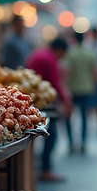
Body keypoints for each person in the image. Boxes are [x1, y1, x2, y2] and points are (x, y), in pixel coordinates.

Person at [27, 37, 72, 182]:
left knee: (48, 133)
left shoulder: (41, 54)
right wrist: (66, 102)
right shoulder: (49, 58)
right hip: (39, 102)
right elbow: (55, 83)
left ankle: (42, 165)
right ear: (60, 50)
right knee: (51, 134)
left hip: (35, 98)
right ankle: (46, 169)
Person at [65, 31, 97, 154]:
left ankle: (71, 142)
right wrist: (94, 86)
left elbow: (66, 72)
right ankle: (83, 143)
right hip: (86, 89)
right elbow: (94, 72)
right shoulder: (90, 53)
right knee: (85, 117)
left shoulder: (70, 53)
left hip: (72, 89)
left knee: (69, 117)